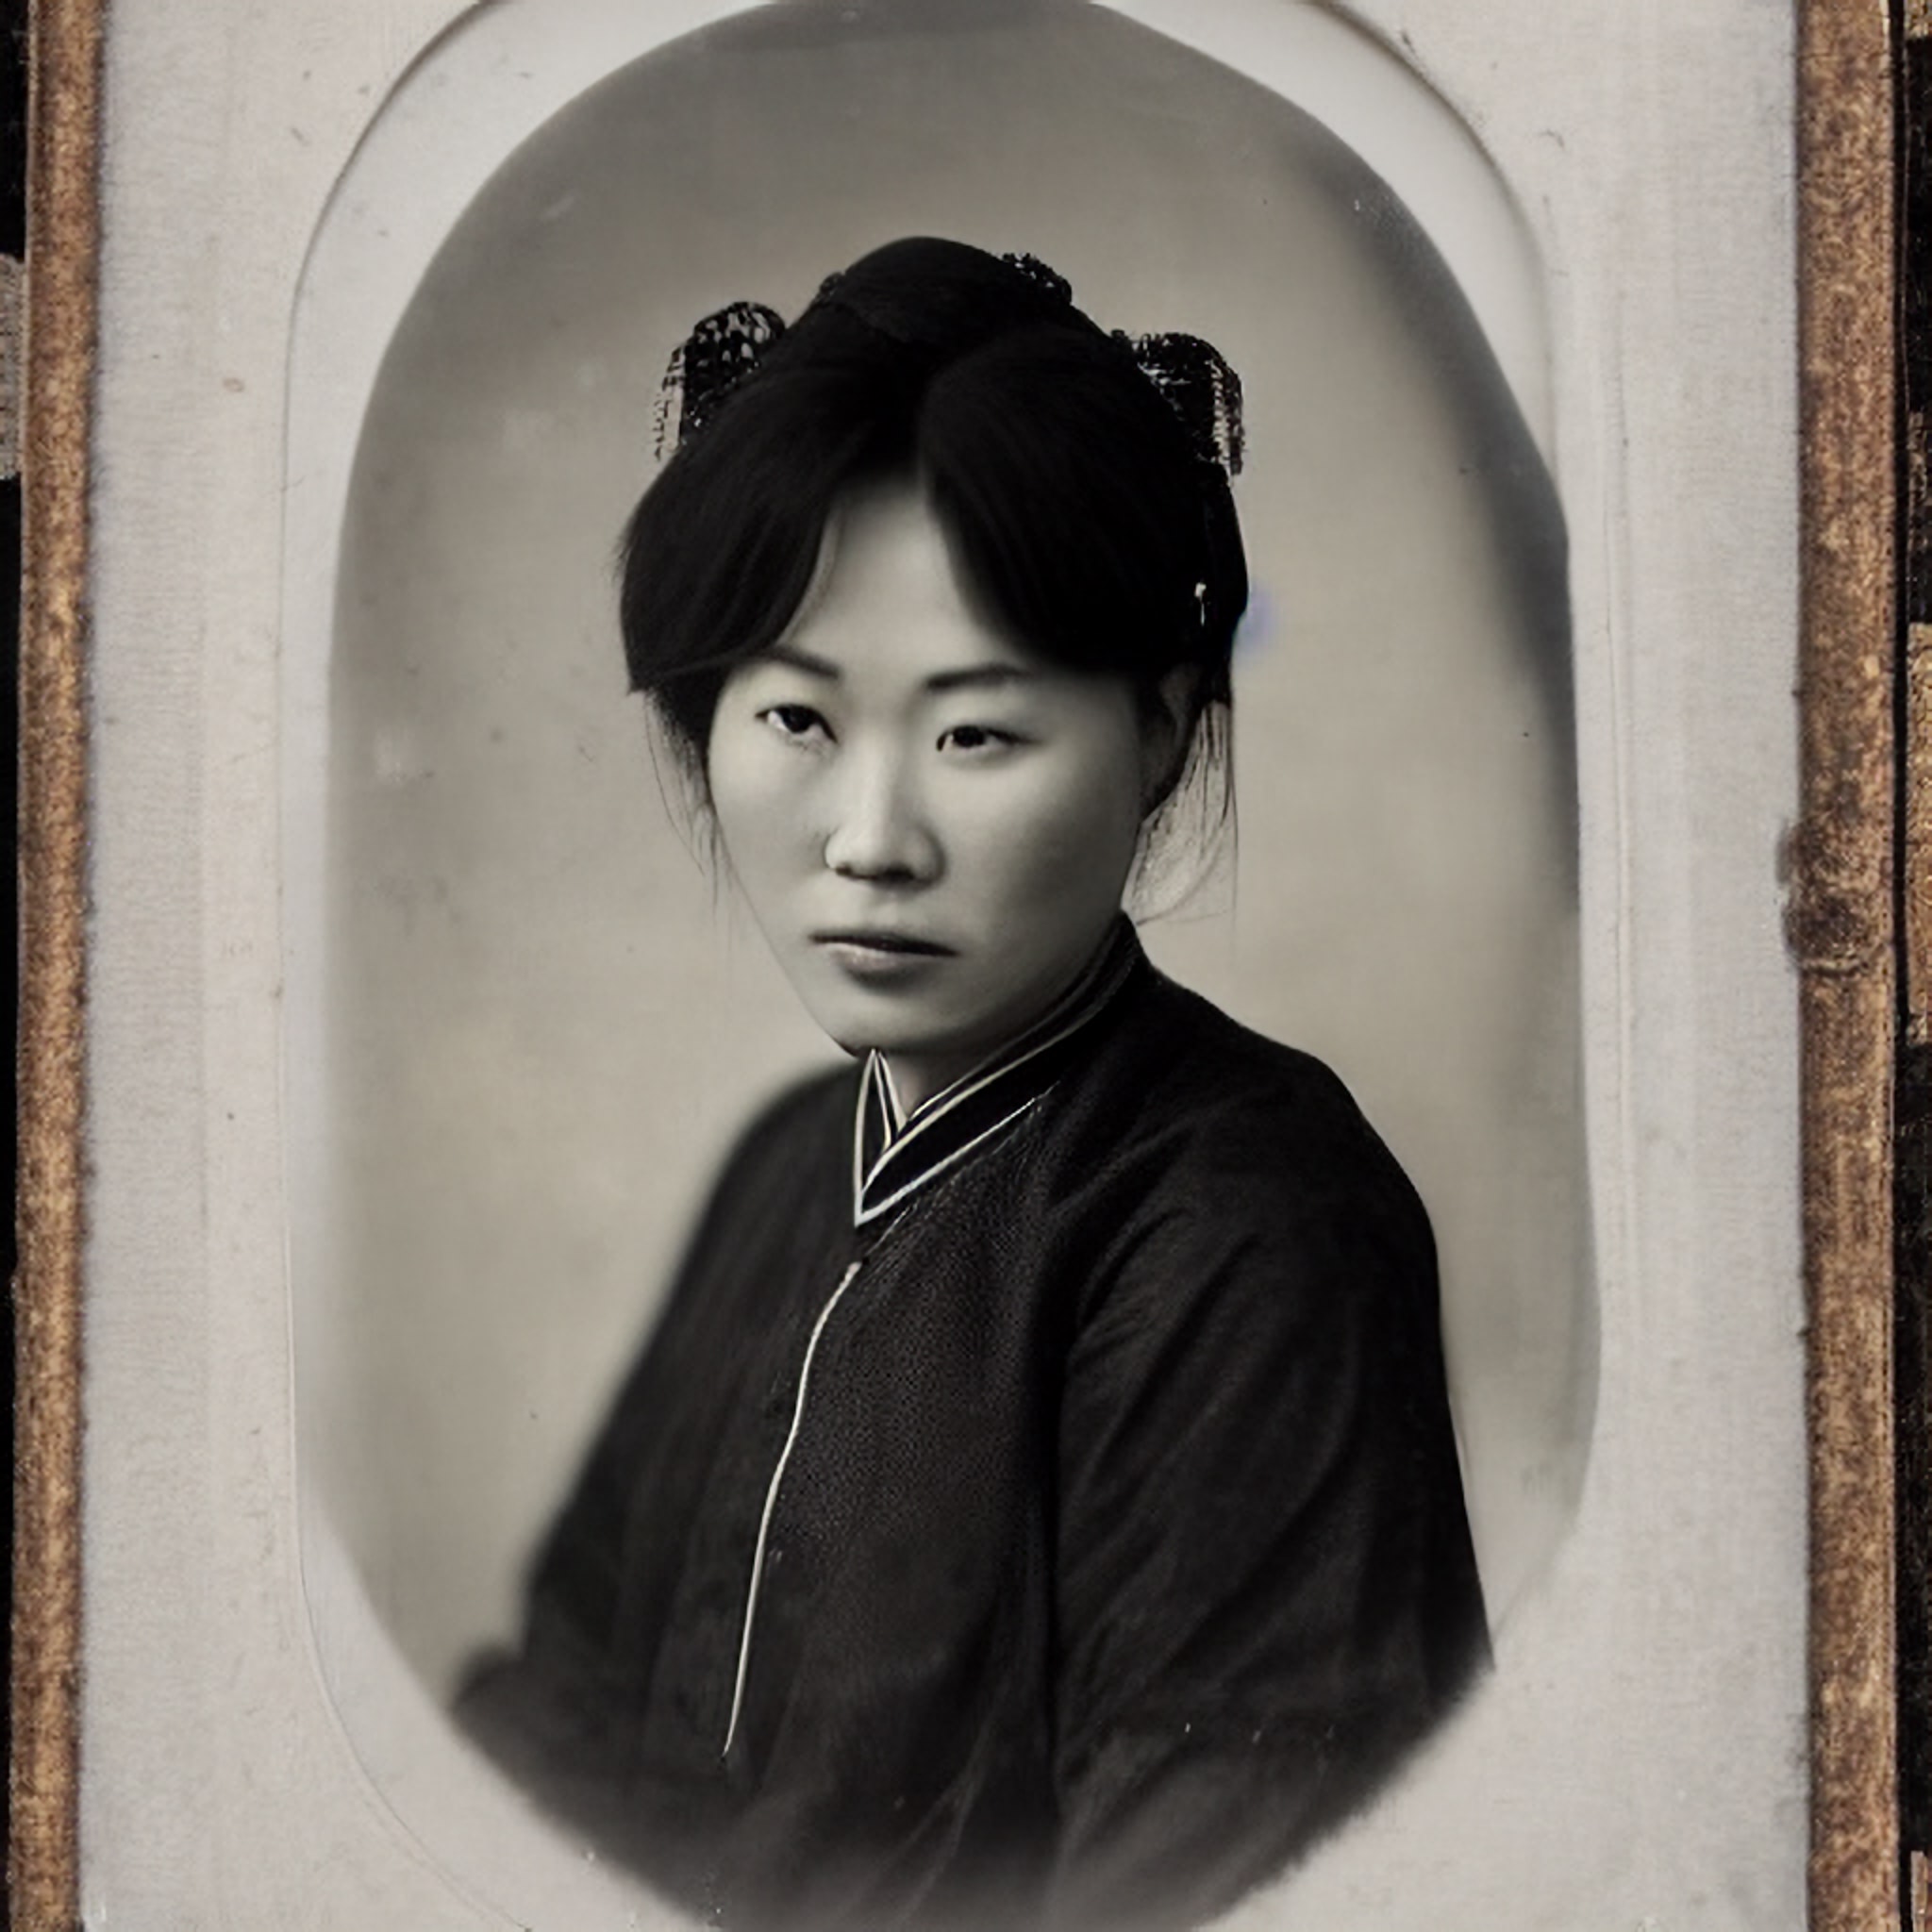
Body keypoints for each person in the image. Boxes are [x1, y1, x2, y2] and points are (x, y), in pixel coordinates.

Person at [457, 237, 1488, 1932]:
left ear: (1158, 731)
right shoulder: (793, 1164)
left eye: (976, 734)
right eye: (796, 721)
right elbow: (553, 1731)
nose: (870, 842)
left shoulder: (1251, 1231)